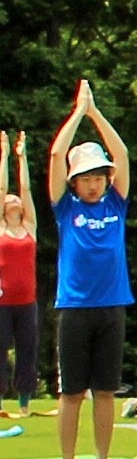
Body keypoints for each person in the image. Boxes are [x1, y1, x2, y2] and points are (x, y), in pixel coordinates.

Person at [45, 79, 131, 459]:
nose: (94, 184)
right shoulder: (67, 208)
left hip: (112, 306)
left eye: (99, 176)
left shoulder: (116, 203)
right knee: (72, 392)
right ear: (75, 181)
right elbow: (57, 153)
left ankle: (100, 458)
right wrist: (79, 112)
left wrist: (96, 113)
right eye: (86, 177)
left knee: (106, 390)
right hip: (75, 307)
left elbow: (122, 153)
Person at [0, 139, 34, 416]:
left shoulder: (30, 227)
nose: (12, 198)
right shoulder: (0, 229)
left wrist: (21, 158)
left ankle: (24, 402)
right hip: (3, 301)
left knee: (27, 351)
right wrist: (4, 156)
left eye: (16, 199)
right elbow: (2, 188)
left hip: (27, 301)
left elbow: (26, 189)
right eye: (8, 199)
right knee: (0, 351)